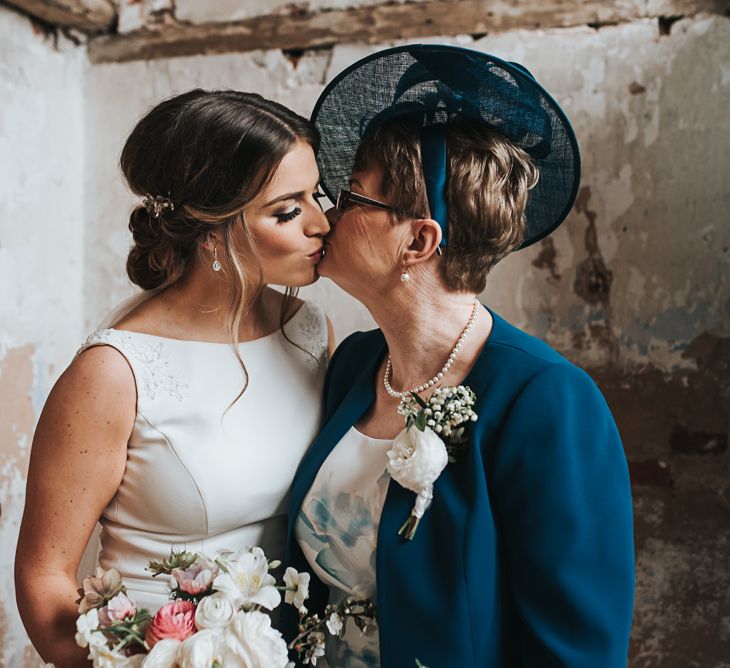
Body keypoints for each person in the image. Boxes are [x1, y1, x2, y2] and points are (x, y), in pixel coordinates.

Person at [286, 45, 634, 667]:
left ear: (419, 240)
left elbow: (578, 650)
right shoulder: (353, 366)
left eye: (352, 196)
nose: (325, 216)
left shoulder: (548, 401)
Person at [15, 89, 332, 667]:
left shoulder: (309, 331)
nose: (321, 222)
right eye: (288, 210)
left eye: (318, 195)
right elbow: (44, 579)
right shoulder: (114, 372)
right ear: (213, 230)